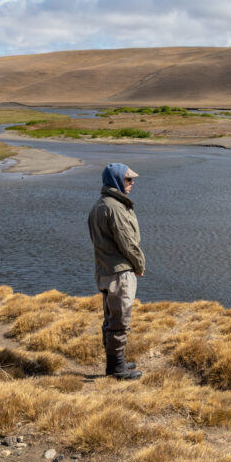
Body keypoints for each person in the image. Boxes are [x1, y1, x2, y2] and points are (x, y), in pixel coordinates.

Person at [88, 162, 145, 380]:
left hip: (104, 271)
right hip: (119, 273)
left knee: (111, 318)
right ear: (117, 180)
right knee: (119, 320)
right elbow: (127, 242)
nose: (132, 183)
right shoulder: (115, 208)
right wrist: (139, 264)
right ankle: (116, 368)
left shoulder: (99, 205)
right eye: (128, 179)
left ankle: (115, 362)